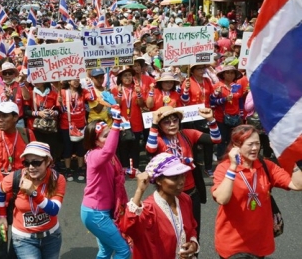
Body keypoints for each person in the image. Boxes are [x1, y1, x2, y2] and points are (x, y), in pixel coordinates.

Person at [212, 125, 302, 258]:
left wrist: (289, 159)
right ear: (236, 145)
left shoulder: (266, 166)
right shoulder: (224, 168)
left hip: (259, 242)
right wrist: (232, 167)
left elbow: (297, 185)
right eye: (250, 144)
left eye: (257, 144)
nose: (255, 148)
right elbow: (222, 199)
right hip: (233, 242)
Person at [146, 106, 221, 239]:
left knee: (193, 231)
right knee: (171, 233)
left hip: (191, 192)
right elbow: (151, 149)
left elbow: (216, 139)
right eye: (166, 122)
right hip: (168, 194)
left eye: (175, 120)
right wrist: (154, 124)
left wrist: (211, 119)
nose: (172, 124)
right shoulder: (158, 139)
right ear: (160, 125)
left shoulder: (187, 134)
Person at [0, 101, 36, 259]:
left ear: (15, 117)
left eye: (4, 116)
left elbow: (38, 161)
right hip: (0, 197)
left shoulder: (27, 134)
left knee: (21, 235)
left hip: (23, 195)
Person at [118, 152, 200, 259]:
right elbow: (128, 228)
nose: (181, 181)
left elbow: (192, 227)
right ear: (159, 181)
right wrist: (139, 191)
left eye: (183, 176)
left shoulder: (185, 199)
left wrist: (193, 244)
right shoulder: (148, 209)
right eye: (175, 178)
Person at [0, 142, 66, 259]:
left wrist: (33, 193)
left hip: (51, 237)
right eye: (26, 163)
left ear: (48, 161)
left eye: (36, 162)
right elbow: (0, 190)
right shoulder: (16, 178)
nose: (31, 167)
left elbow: (54, 210)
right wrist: (2, 216)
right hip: (24, 239)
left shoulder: (58, 179)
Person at [81, 107, 131, 259]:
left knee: (106, 251)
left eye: (110, 134)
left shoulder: (108, 157)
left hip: (102, 212)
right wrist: (116, 123)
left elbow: (114, 173)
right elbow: (109, 150)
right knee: (124, 251)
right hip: (96, 214)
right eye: (105, 136)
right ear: (95, 141)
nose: (109, 139)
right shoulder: (95, 155)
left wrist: (128, 172)